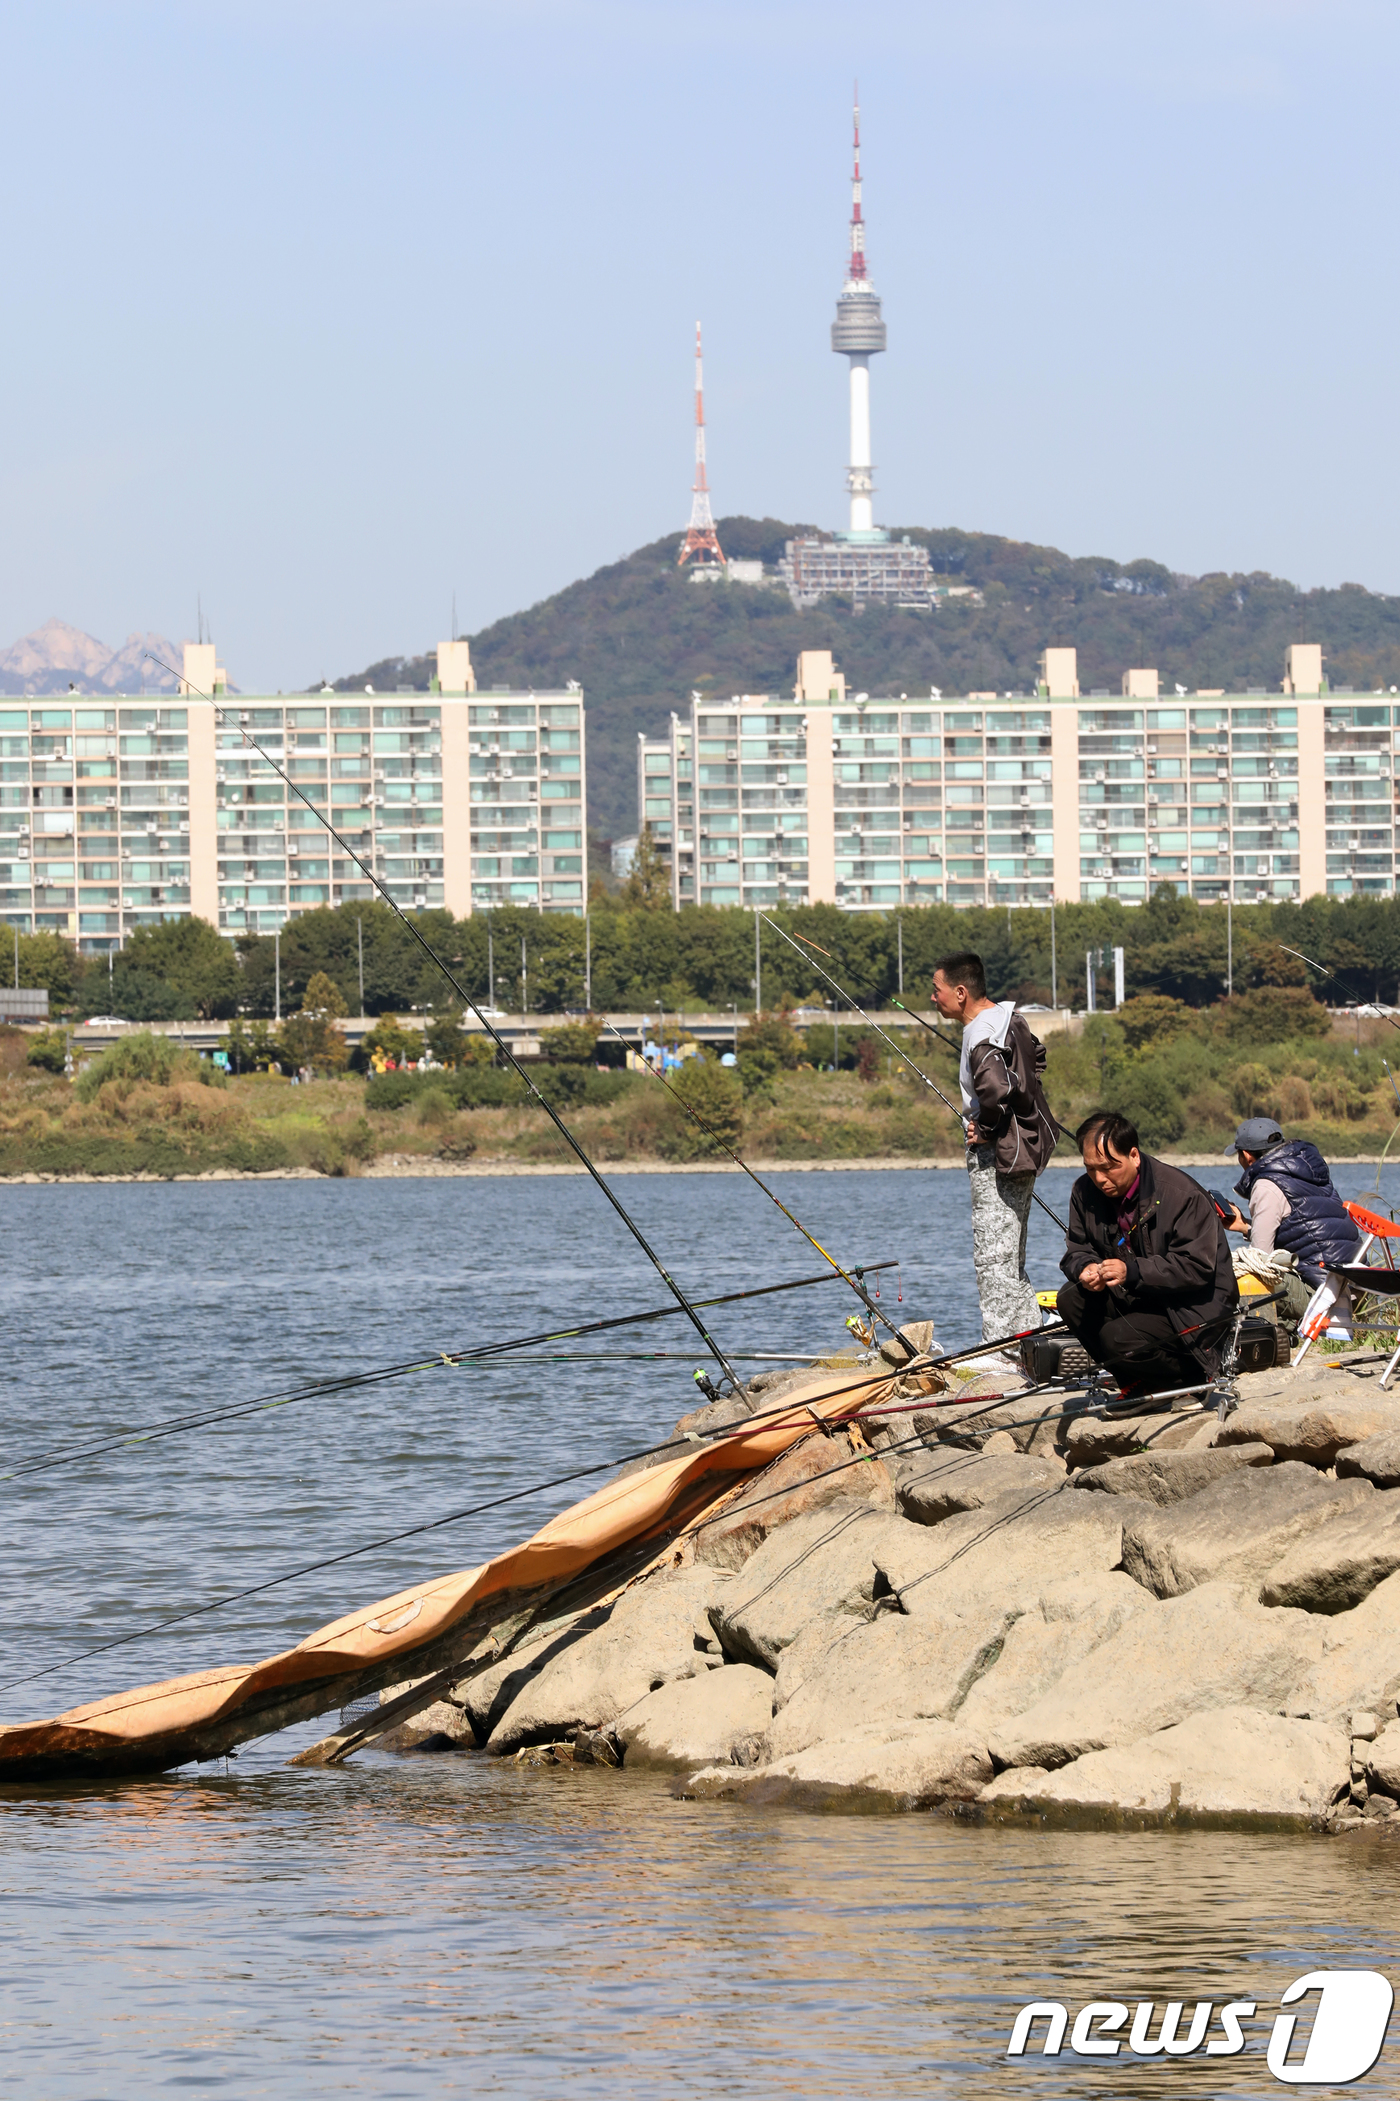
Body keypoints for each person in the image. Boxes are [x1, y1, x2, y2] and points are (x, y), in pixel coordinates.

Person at [930, 950, 1058, 1363]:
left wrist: (985, 1129)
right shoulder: (1008, 1018)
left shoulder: (981, 1033)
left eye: (938, 990)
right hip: (1024, 1149)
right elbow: (1035, 1057)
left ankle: (1000, 1355)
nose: (934, 998)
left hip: (999, 1158)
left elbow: (996, 1089)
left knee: (993, 1260)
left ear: (961, 992)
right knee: (1011, 1259)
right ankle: (1031, 1348)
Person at [1058, 1110, 1239, 1398]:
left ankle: (1189, 1376)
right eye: (1091, 1168)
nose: (1099, 1178)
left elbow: (1196, 1267)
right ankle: (1134, 1380)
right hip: (1138, 1293)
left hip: (1192, 1303)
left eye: (1108, 1167)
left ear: (1134, 1155)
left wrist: (1131, 1271)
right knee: (1070, 1296)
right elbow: (1077, 1248)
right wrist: (1085, 1267)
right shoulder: (1083, 1191)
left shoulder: (1181, 1194)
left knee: (1116, 1338)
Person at [1222, 1117, 1362, 1286]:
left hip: (1325, 1292)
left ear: (1246, 1155)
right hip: (1359, 1285)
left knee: (1245, 1280)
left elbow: (1260, 1259)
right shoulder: (1310, 1172)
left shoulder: (1266, 1185)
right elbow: (1302, 1231)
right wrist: (1244, 1226)